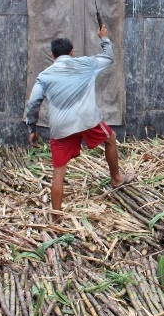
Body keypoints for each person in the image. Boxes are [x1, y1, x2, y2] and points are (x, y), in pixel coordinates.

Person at [25, 25, 132, 221]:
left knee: (59, 171)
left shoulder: (45, 75)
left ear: (52, 56)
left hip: (61, 126)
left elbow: (33, 104)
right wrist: (104, 38)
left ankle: (56, 217)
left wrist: (32, 128)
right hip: (87, 119)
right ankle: (116, 178)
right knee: (111, 138)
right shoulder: (86, 63)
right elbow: (108, 57)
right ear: (72, 52)